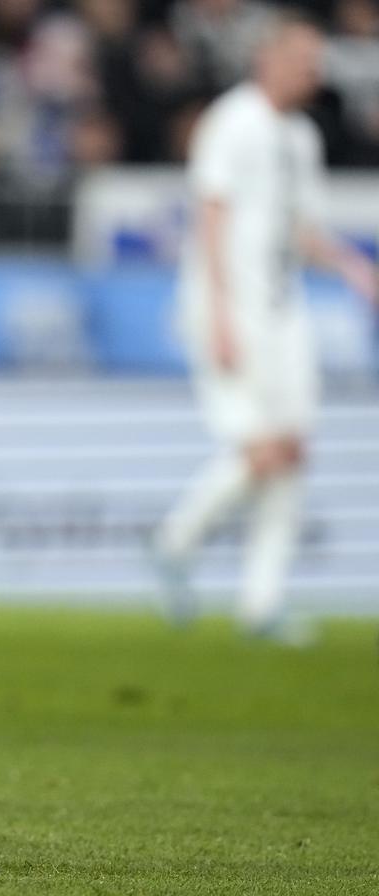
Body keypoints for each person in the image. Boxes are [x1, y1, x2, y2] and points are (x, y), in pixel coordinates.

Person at [154, 11, 378, 642]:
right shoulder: (234, 122)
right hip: (234, 307)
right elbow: (212, 216)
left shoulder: (301, 136)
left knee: (293, 453)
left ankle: (261, 602)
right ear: (270, 60)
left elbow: (302, 229)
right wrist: (220, 312)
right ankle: (176, 540)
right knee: (262, 450)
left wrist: (353, 266)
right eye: (304, 59)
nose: (314, 72)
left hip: (286, 310)